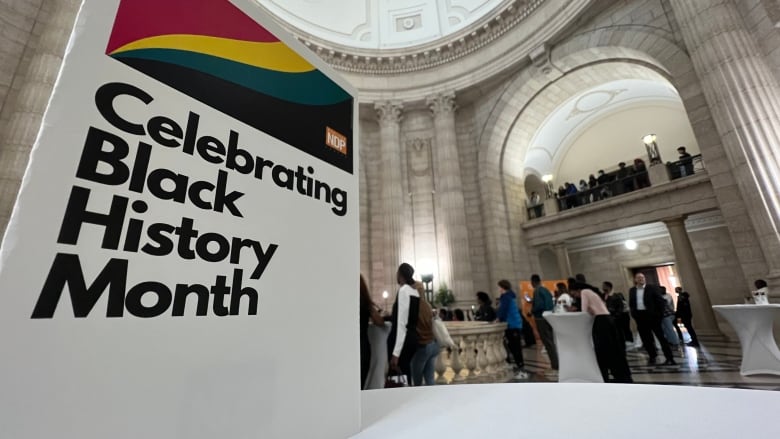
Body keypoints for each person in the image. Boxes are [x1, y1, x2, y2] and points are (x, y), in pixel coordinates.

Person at [569, 282, 632, 383]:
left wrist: (575, 311)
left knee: (604, 350)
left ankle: (606, 375)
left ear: (577, 290)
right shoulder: (592, 292)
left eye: (573, 293)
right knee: (614, 349)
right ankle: (621, 375)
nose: (574, 296)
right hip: (607, 320)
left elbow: (584, 311)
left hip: (601, 322)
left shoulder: (585, 292)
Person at [628, 273, 676, 366]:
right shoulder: (632, 290)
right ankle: (652, 357)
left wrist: (658, 315)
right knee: (646, 339)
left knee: (661, 337)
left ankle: (669, 358)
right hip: (640, 318)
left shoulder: (652, 288)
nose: (641, 279)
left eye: (643, 277)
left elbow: (661, 302)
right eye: (639, 278)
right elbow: (632, 304)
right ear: (635, 280)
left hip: (653, 317)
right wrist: (634, 315)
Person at [388, 263, 421, 383]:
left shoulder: (403, 291)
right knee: (406, 374)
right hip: (413, 338)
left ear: (401, 275)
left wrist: (396, 353)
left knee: (400, 375)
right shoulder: (415, 292)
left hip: (403, 341)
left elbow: (402, 324)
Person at [496, 279, 528, 379]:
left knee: (515, 348)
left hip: (512, 325)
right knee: (514, 347)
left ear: (502, 287)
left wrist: (498, 319)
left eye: (499, 287)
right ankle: (519, 367)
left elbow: (503, 311)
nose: (498, 289)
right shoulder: (509, 296)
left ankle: (521, 370)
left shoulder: (506, 297)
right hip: (514, 324)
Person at [410, 282, 439, 386]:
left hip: (421, 346)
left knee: (417, 381)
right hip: (433, 344)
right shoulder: (428, 305)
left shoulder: (413, 306)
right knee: (430, 379)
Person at [360, 274, 385, 389]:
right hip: (363, 347)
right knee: (360, 384)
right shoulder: (366, 304)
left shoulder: (345, 303)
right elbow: (379, 322)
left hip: (347, 348)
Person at [530, 274, 558, 370]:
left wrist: (532, 310)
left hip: (541, 318)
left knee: (547, 342)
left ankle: (555, 364)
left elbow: (539, 305)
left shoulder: (537, 291)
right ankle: (556, 362)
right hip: (549, 316)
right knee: (551, 341)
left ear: (533, 282)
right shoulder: (545, 290)